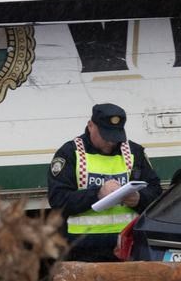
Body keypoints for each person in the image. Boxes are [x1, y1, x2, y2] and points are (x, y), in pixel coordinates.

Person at [47, 103, 162, 261]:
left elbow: (157, 194)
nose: (111, 142)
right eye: (105, 135)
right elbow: (58, 201)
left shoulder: (134, 152)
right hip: (83, 250)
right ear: (90, 125)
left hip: (127, 246)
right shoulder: (70, 153)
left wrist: (139, 199)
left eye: (116, 136)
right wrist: (97, 194)